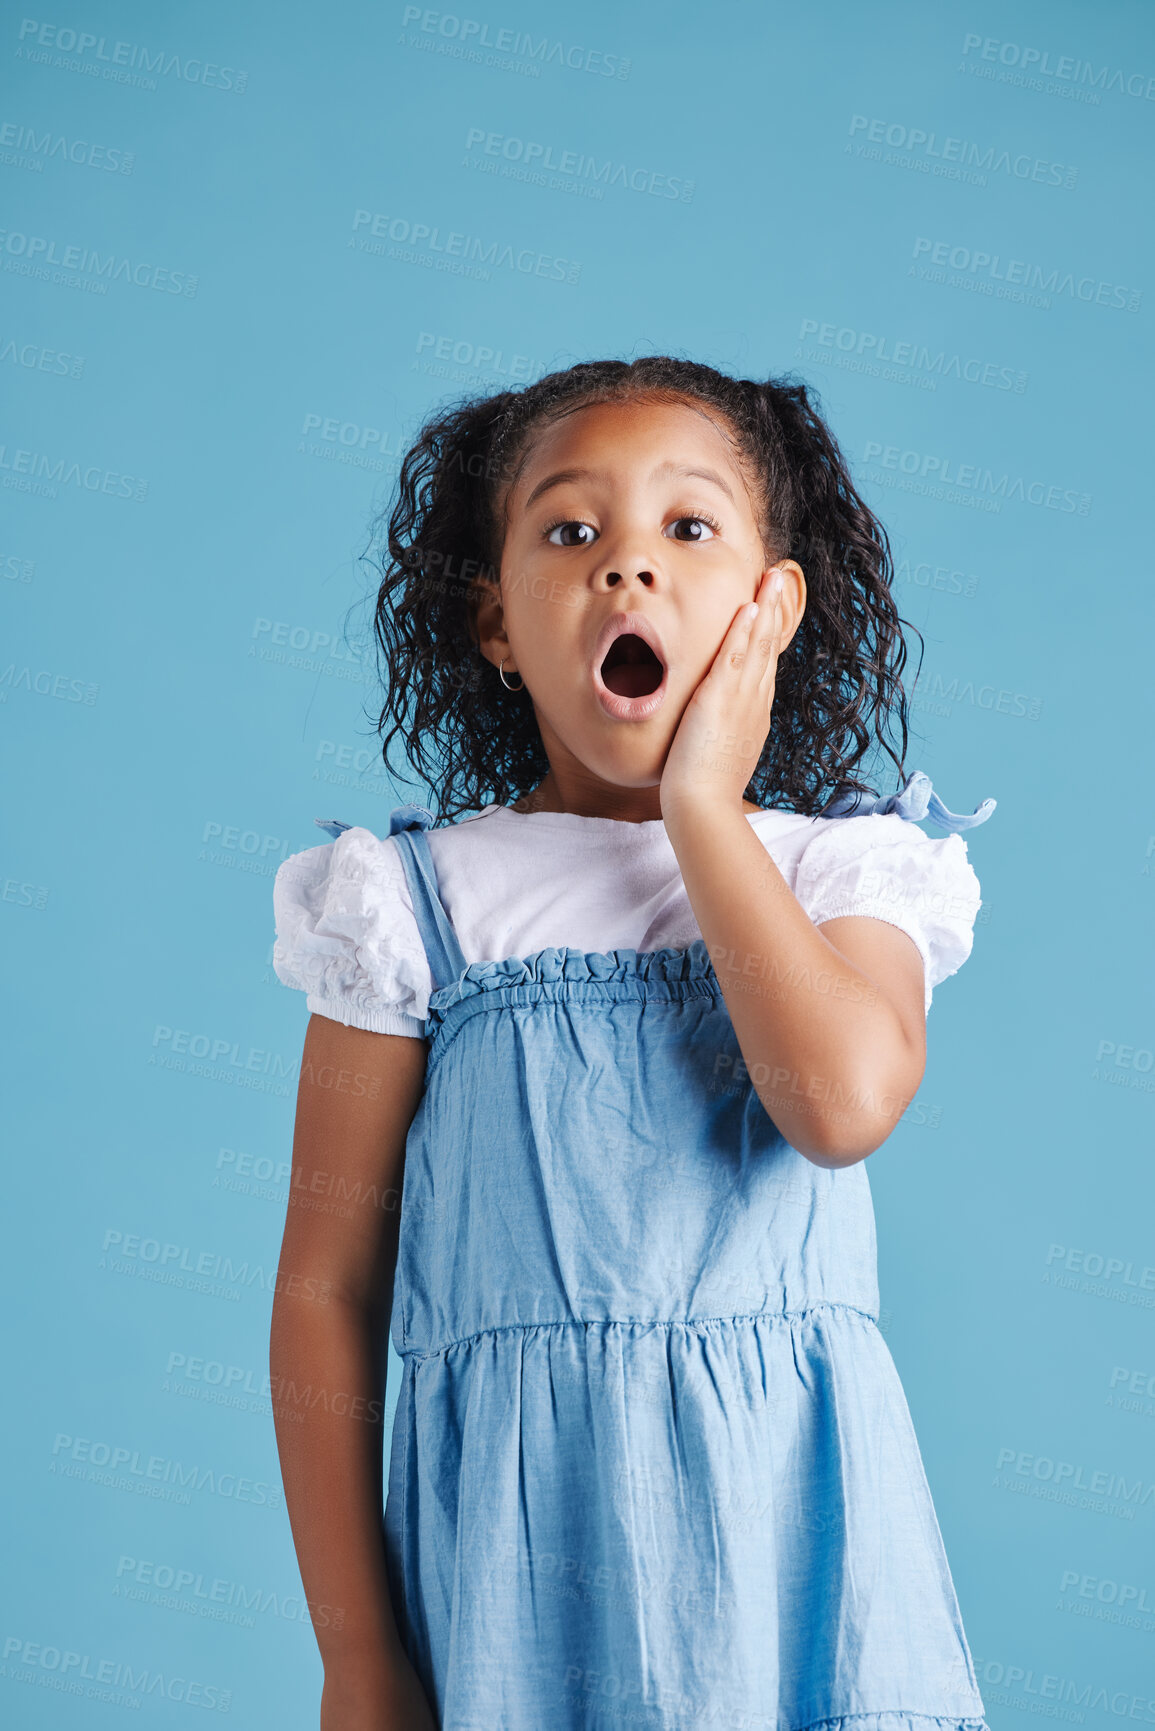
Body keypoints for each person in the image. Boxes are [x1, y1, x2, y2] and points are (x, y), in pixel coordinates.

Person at [269, 356, 996, 1731]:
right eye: (568, 532)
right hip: (514, 1554)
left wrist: (706, 814)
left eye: (688, 527)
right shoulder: (413, 906)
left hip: (799, 1546)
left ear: (771, 608)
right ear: (496, 622)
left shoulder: (847, 873)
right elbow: (327, 1287)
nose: (626, 571)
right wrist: (358, 1655)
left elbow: (838, 1105)